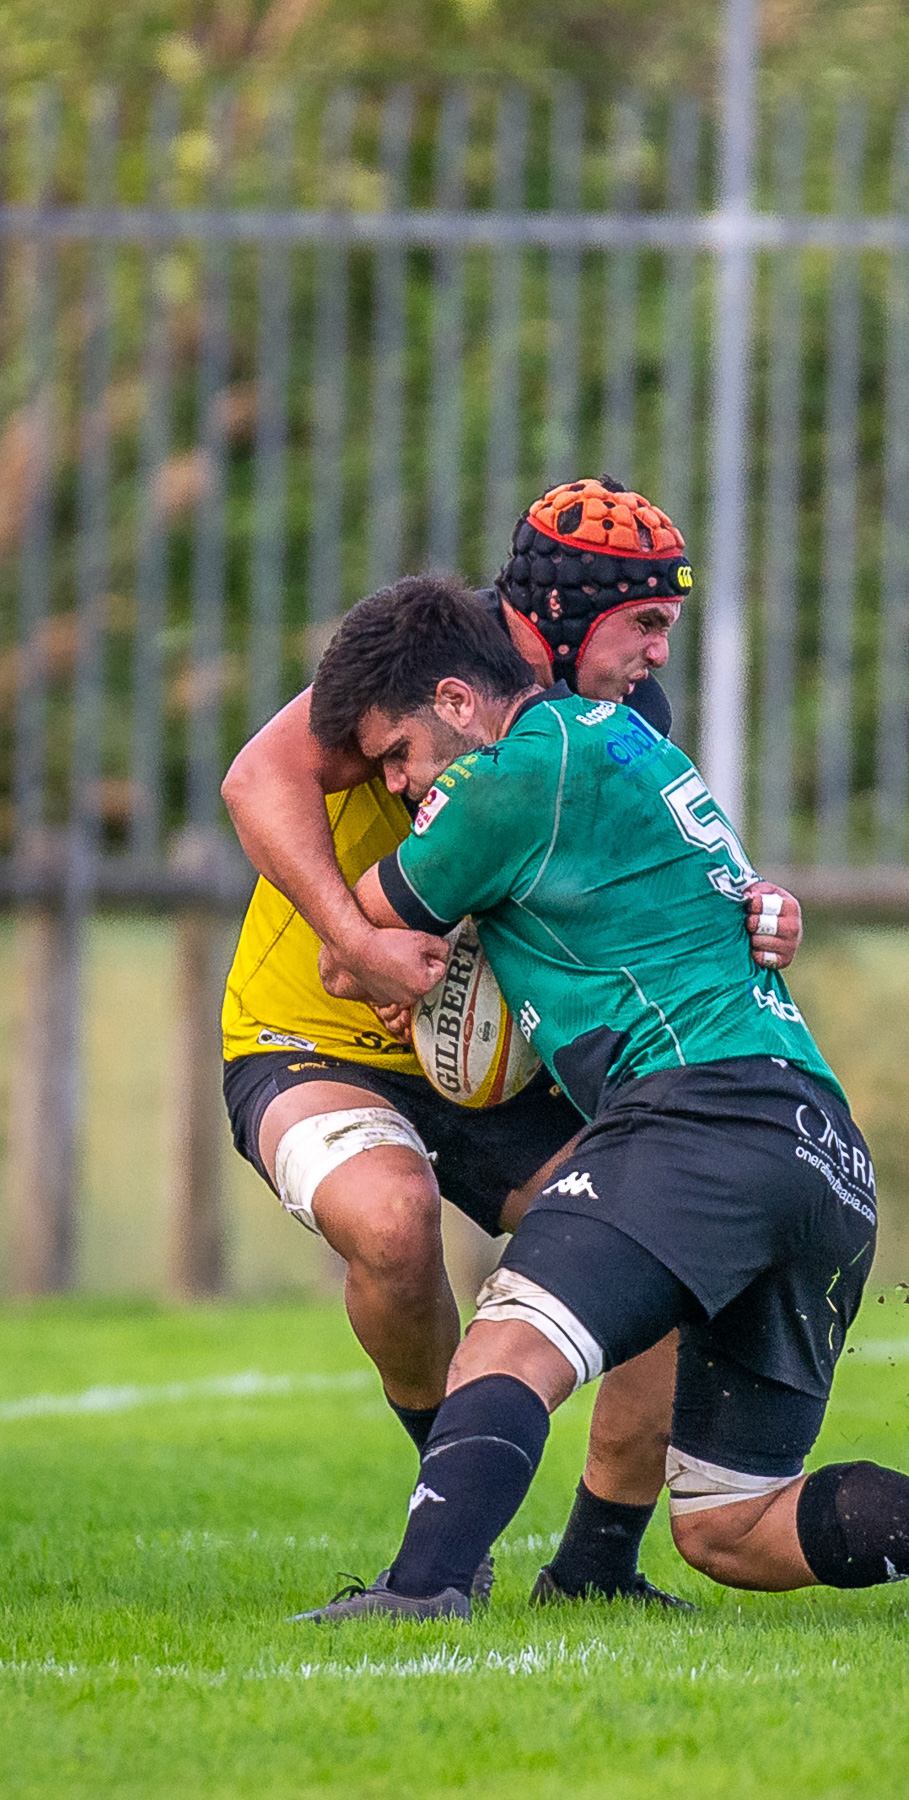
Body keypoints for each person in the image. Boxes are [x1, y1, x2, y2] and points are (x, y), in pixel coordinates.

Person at [300, 574, 909, 1632]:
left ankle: (419, 1594)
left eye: (396, 754)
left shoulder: (512, 772)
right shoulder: (629, 747)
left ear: (458, 704)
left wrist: (424, 954)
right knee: (728, 1525)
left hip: (701, 1116)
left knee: (508, 1342)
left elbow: (347, 950)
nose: (399, 783)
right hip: (821, 1151)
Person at [220, 477, 803, 1607]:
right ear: (575, 614)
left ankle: (595, 1567)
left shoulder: (624, 720)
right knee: (389, 1224)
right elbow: (258, 777)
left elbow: (667, 861)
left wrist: (763, 901)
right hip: (311, 1029)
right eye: (644, 626)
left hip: (498, 1060)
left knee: (657, 1234)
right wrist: (356, 941)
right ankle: (452, 1524)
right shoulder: (421, 671)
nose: (654, 657)